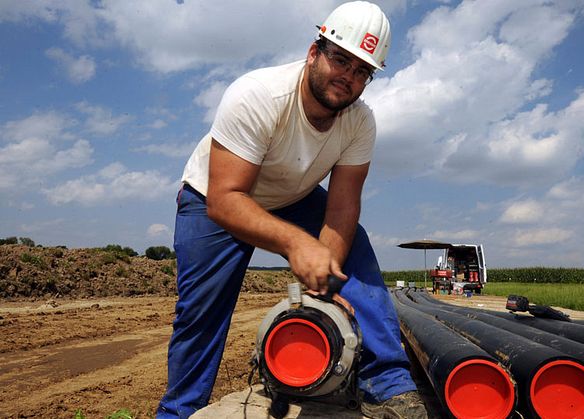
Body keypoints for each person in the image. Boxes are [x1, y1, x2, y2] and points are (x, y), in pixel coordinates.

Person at [156, 2, 428, 418]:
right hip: (215, 196)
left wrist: (326, 284)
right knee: (202, 314)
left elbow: (342, 209)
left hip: (292, 194)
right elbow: (226, 200)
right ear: (314, 52)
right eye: (341, 60)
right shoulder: (258, 95)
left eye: (362, 71)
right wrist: (296, 243)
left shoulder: (359, 122)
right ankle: (179, 412)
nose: (349, 78)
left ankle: (390, 386)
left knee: (356, 245)